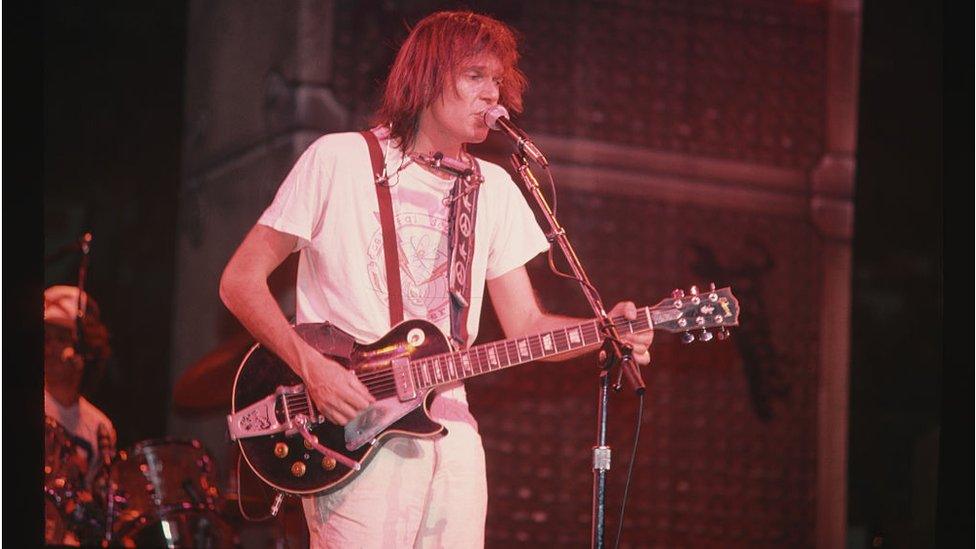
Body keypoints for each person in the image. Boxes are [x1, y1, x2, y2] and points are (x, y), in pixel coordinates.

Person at [219, 10, 654, 548]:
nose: (493, 96)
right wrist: (313, 370)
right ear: (426, 77)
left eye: (498, 81)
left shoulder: (492, 186)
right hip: (351, 424)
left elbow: (525, 325)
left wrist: (604, 329)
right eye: (475, 76)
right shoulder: (339, 160)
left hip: (454, 437)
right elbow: (240, 281)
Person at [44, 285, 117, 545]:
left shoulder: (100, 426)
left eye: (61, 338)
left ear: (86, 351)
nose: (50, 348)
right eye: (45, 338)